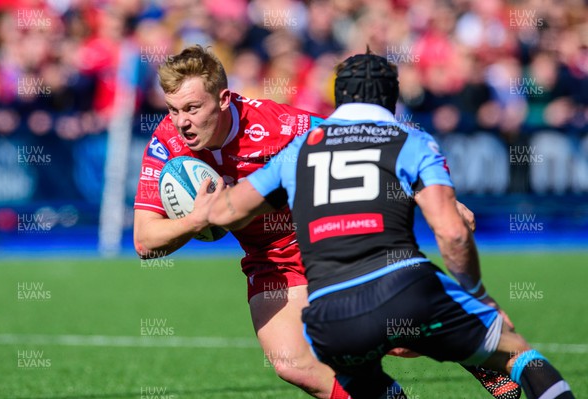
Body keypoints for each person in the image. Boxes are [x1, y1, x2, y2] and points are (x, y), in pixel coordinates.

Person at [134, 45, 519, 398]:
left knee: (396, 338)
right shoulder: (167, 143)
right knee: (292, 364)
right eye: (173, 109)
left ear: (223, 99)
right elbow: (145, 241)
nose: (181, 122)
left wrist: (437, 195)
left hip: (325, 238)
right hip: (269, 258)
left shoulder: (279, 126)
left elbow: (368, 141)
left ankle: (476, 347)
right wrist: (197, 219)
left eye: (192, 108)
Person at [206, 52, 575, 398]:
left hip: (327, 316)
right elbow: (451, 233)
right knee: (518, 354)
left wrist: (206, 198)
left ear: (339, 97)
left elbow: (224, 213)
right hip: (402, 284)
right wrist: (476, 292)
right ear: (391, 98)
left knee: (362, 374)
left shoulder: (299, 148)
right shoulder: (410, 139)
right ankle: (475, 352)